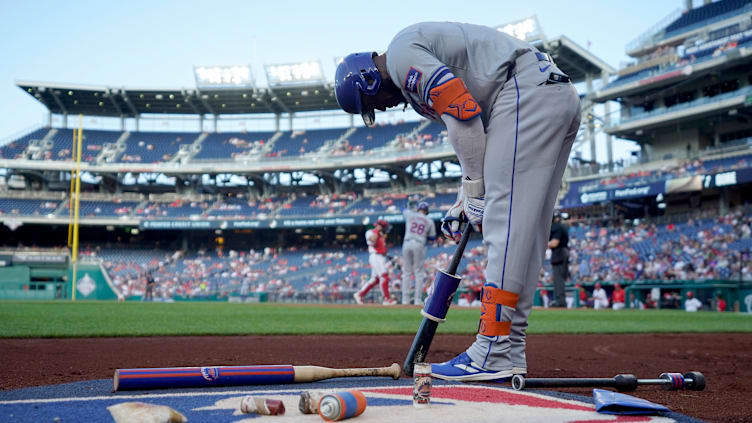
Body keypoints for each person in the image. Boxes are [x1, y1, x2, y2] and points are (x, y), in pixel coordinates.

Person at [335, 21, 581, 381]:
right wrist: (464, 197)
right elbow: (471, 131)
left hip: (523, 94)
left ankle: (493, 350)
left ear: (369, 81)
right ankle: (508, 348)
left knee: (506, 225)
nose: (384, 109)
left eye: (373, 104)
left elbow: (464, 115)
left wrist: (476, 190)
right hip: (549, 96)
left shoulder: (402, 57)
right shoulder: (411, 56)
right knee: (526, 230)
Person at [401, 201, 437, 305]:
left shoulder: (411, 214)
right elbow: (432, 238)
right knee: (419, 273)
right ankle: (417, 300)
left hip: (407, 243)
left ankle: (405, 300)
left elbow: (402, 209)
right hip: (419, 244)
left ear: (418, 209)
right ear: (427, 211)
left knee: (407, 272)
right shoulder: (429, 220)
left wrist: (409, 202)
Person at [354, 219, 397, 305]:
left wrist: (390, 258)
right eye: (384, 227)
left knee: (376, 279)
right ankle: (386, 299)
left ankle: (360, 294)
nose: (385, 229)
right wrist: (378, 230)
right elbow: (372, 240)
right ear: (380, 226)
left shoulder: (381, 234)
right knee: (384, 276)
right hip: (376, 256)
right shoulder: (371, 232)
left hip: (381, 256)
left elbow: (383, 248)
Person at [548, 211, 570, 307]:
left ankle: (561, 302)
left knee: (558, 279)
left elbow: (554, 243)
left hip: (559, 253)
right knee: (559, 279)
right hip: (561, 253)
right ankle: (560, 301)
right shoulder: (561, 226)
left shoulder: (557, 226)